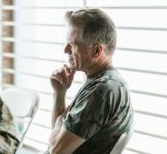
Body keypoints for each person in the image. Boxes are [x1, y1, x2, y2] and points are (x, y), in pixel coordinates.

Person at [49, 8, 133, 154]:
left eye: (72, 44)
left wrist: (60, 124)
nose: (65, 50)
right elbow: (58, 138)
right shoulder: (104, 81)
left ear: (96, 51)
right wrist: (60, 93)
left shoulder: (101, 90)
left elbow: (56, 150)